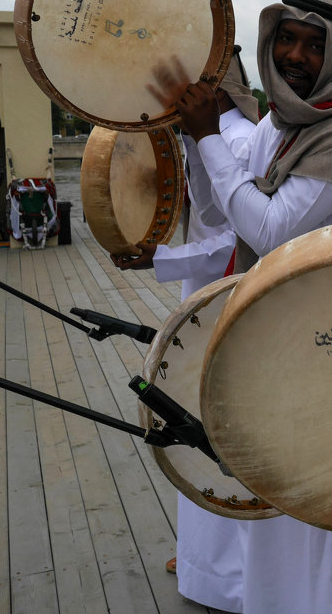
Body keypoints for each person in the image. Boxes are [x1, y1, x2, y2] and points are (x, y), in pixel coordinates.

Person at [153, 0, 332, 614]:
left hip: (328, 345)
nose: (296, 56)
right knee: (270, 506)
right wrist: (195, 141)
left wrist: (209, 135)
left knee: (308, 517)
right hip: (276, 339)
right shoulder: (277, 127)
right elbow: (217, 214)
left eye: (315, 46)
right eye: (286, 40)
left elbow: (272, 231)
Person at [111, 52, 259, 612]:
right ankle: (203, 556)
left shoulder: (240, 141)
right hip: (198, 295)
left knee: (217, 425)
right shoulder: (201, 137)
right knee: (190, 417)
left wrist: (163, 258)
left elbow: (238, 240)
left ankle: (232, 571)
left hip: (227, 298)